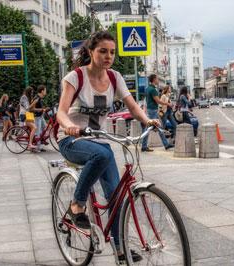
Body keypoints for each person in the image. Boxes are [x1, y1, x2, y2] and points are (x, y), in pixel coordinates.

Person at [56, 31, 157, 263]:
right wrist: (70, 126)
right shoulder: (75, 77)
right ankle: (76, 205)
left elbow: (132, 106)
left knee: (116, 196)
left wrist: (147, 120)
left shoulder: (115, 78)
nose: (108, 56)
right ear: (91, 52)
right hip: (73, 140)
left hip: (99, 141)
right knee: (102, 154)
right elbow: (61, 112)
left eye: (112, 52)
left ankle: (120, 250)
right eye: (102, 51)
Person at [141, 74, 174, 152]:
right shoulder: (153, 90)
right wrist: (168, 104)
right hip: (153, 111)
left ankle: (144, 146)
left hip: (150, 110)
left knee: (150, 128)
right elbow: (158, 101)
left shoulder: (147, 89)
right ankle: (165, 145)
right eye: (157, 79)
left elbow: (146, 101)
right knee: (158, 127)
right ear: (154, 80)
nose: (158, 80)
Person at [30, 85, 48, 152]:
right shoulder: (36, 98)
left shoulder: (40, 98)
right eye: (45, 90)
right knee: (38, 132)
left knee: (44, 128)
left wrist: (44, 109)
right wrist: (41, 109)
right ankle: (36, 147)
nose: (46, 92)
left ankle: (40, 144)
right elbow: (31, 109)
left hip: (40, 116)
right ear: (42, 91)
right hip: (36, 117)